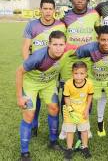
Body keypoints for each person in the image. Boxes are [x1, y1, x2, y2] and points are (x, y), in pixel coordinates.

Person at [73, 25, 108, 153]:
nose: (106, 43)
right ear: (98, 39)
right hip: (94, 81)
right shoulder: (89, 48)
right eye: (103, 40)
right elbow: (72, 53)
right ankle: (81, 139)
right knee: (84, 109)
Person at [16, 31, 67, 161]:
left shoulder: (67, 52)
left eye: (61, 44)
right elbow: (19, 72)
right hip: (31, 84)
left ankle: (53, 141)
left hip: (49, 84)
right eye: (55, 44)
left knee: (54, 108)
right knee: (29, 114)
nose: (58, 48)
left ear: (65, 45)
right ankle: (24, 153)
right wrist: (19, 97)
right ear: (49, 45)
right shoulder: (38, 57)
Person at [59, 0, 100, 148]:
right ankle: (66, 127)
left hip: (87, 63)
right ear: (71, 0)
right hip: (68, 63)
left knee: (86, 95)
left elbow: (101, 34)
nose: (79, 0)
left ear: (88, 0)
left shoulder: (95, 15)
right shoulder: (65, 18)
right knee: (66, 95)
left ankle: (85, 127)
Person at [22, 0, 66, 136]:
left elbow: (63, 47)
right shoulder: (32, 25)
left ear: (54, 10)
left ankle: (53, 138)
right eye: (45, 9)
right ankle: (34, 125)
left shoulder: (61, 25)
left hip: (52, 70)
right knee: (34, 102)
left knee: (52, 103)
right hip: (35, 70)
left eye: (50, 9)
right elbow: (25, 48)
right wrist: (29, 65)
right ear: (40, 10)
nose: (47, 12)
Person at [63, 61, 93, 160]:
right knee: (70, 131)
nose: (79, 76)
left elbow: (90, 95)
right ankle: (69, 149)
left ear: (86, 73)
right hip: (70, 111)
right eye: (76, 73)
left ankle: (85, 147)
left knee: (84, 130)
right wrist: (71, 111)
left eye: (82, 73)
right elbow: (66, 98)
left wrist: (87, 109)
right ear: (72, 73)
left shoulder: (89, 83)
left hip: (82, 111)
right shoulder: (68, 83)